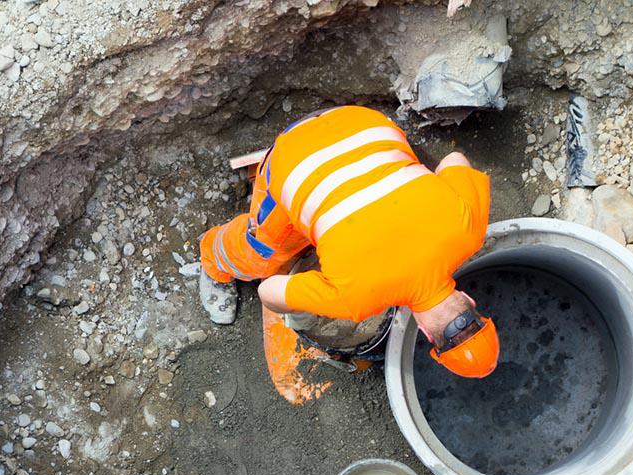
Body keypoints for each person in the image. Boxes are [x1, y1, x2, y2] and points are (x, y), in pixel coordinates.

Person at [198, 105, 498, 378]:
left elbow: (454, 159)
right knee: (261, 255)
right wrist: (301, 310)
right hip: (295, 155)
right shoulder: (354, 300)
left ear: (470, 301)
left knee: (408, 171)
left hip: (363, 122)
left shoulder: (470, 231)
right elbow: (268, 290)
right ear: (427, 335)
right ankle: (213, 261)